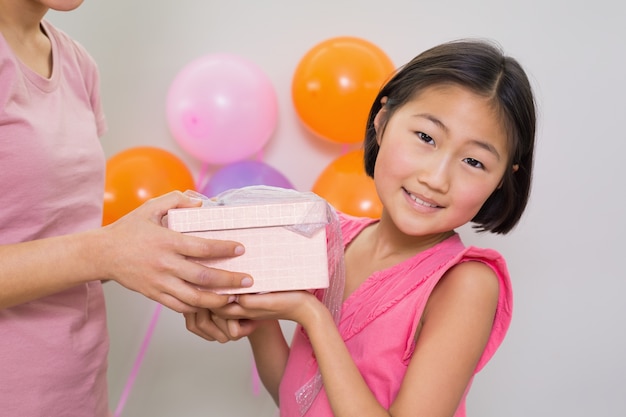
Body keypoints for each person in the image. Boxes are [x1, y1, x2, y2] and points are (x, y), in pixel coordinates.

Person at [186, 38, 537, 417]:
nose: (437, 179)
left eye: (473, 161)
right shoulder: (332, 238)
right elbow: (298, 398)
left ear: (503, 179)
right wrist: (256, 316)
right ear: (383, 122)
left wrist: (312, 316)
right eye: (426, 137)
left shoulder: (465, 283)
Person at [0, 0, 253, 416]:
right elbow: (93, 251)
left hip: (76, 390)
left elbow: (56, 242)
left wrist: (172, 265)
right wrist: (109, 251)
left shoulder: (77, 64)